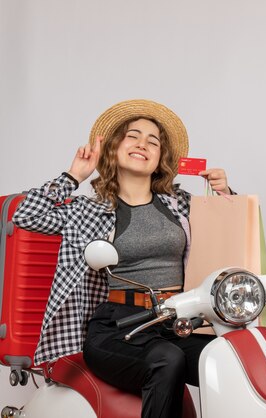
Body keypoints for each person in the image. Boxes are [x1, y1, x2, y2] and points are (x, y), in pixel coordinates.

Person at [13, 99, 231, 418]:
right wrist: (73, 175)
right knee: (166, 359)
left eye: (153, 140)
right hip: (117, 325)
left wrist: (223, 194)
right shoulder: (88, 210)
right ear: (115, 148)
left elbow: (228, 237)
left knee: (228, 358)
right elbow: (25, 215)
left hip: (179, 321)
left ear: (160, 159)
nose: (143, 143)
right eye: (133, 136)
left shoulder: (183, 205)